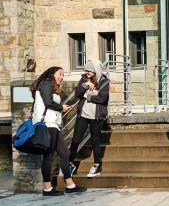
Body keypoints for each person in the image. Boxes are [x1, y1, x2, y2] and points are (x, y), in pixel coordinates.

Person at [30, 67, 87, 196]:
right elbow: (48, 102)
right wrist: (61, 107)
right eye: (59, 74)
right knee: (48, 155)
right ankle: (47, 188)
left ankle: (70, 185)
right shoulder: (45, 84)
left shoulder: (51, 86)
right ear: (51, 74)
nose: (62, 77)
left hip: (54, 124)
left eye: (63, 75)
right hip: (47, 124)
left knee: (64, 153)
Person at [68, 60, 109, 178]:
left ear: (96, 70)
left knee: (95, 140)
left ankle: (97, 165)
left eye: (89, 70)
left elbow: (102, 98)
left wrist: (88, 96)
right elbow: (77, 93)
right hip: (83, 115)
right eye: (86, 70)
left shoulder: (104, 82)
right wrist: (85, 85)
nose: (87, 72)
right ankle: (70, 163)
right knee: (76, 139)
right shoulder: (84, 79)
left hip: (96, 116)